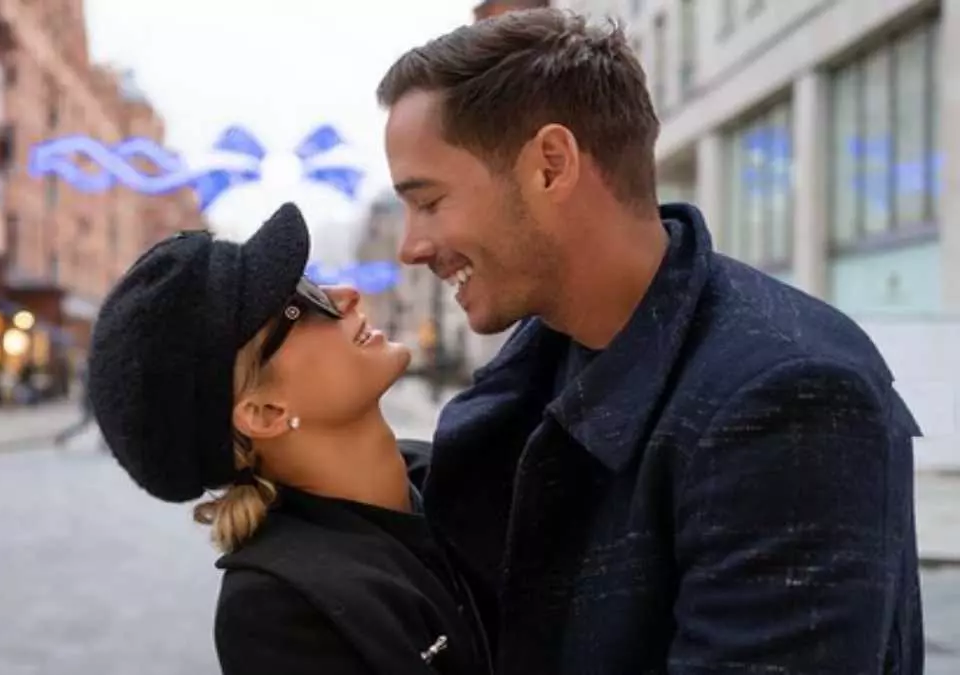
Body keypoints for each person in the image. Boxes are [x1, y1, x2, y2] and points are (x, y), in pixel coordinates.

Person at [377, 8, 922, 675]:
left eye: (429, 201)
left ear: (551, 165)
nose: (411, 247)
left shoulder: (787, 394)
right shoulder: (547, 357)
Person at [86, 203, 491, 675]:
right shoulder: (281, 609)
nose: (346, 295)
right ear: (264, 413)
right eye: (304, 302)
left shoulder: (471, 473)